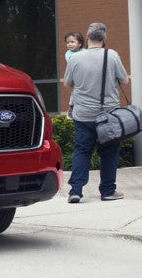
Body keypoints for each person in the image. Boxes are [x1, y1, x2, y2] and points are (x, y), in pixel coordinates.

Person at [63, 22, 130, 204]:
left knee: (82, 150)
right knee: (109, 151)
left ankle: (75, 191)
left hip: (83, 114)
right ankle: (108, 191)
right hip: (109, 115)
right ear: (104, 37)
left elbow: (68, 84)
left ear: (87, 36)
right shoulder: (112, 55)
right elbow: (124, 81)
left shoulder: (75, 59)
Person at [63, 31, 85, 119]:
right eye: (68, 42)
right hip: (76, 76)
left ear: (79, 44)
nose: (69, 44)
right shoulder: (68, 54)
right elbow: (74, 62)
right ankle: (71, 107)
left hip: (85, 75)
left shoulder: (84, 51)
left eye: (72, 42)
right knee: (75, 92)